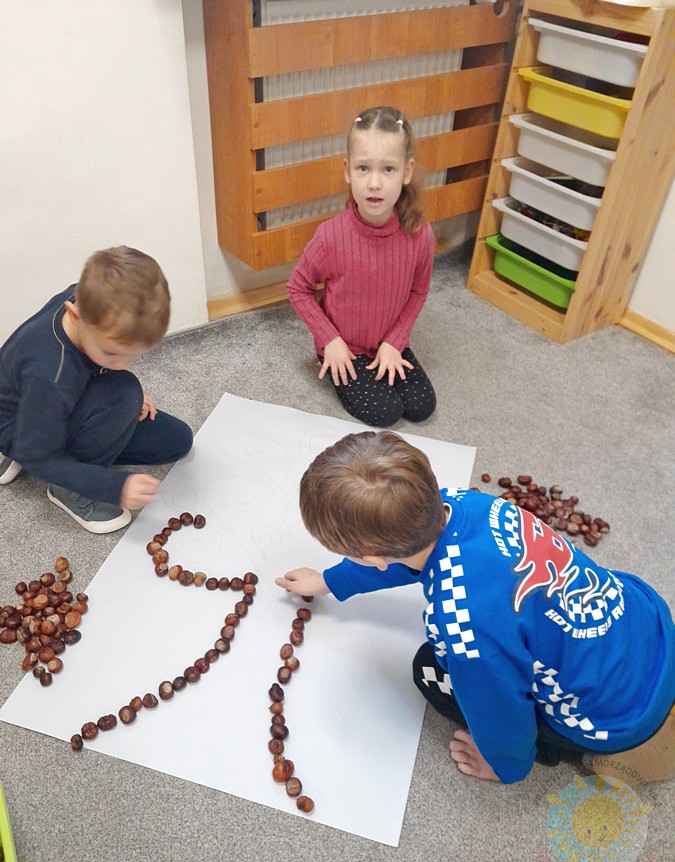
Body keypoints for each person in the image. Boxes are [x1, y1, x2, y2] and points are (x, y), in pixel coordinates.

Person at [275, 431, 675, 785]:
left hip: (619, 717)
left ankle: (558, 748)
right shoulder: (465, 504)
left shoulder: (462, 623)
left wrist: (507, 765)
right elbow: (398, 556)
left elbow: (496, 706)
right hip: (651, 628)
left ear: (372, 556)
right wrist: (330, 581)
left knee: (429, 670)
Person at [0, 246, 193, 533]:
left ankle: (52, 434)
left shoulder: (92, 302)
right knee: (124, 392)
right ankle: (66, 490)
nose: (123, 364)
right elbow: (39, 457)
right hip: (22, 426)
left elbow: (97, 365)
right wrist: (113, 487)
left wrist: (121, 382)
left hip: (50, 403)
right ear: (75, 315)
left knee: (177, 440)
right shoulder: (50, 374)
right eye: (112, 354)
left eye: (133, 355)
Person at [286, 106, 437, 428]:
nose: (374, 184)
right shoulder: (330, 236)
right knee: (386, 413)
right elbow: (297, 289)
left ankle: (387, 350)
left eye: (388, 170)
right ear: (348, 171)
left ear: (407, 172)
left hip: (389, 342)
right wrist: (330, 341)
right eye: (364, 168)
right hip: (346, 348)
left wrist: (396, 341)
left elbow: (418, 290)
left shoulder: (420, 233)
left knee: (421, 407)